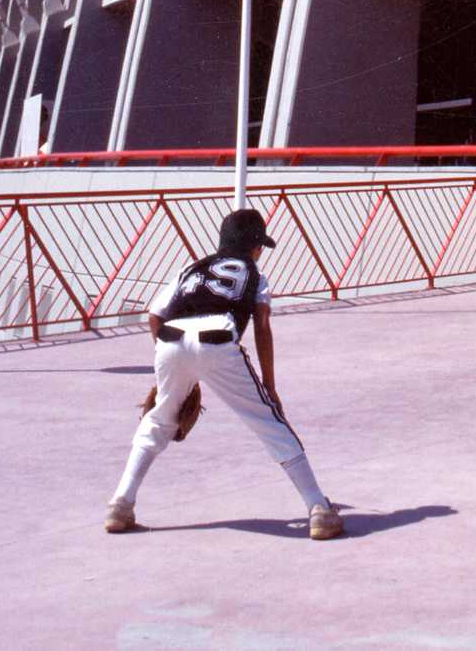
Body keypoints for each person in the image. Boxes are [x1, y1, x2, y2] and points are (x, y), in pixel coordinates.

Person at [104, 205, 344, 539]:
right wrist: (270, 386)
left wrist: (172, 372)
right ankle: (319, 509)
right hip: (218, 339)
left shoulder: (192, 268)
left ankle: (121, 504)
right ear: (255, 247)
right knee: (269, 422)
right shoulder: (255, 275)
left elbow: (154, 316)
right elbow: (262, 326)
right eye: (261, 247)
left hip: (170, 338)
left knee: (158, 420)